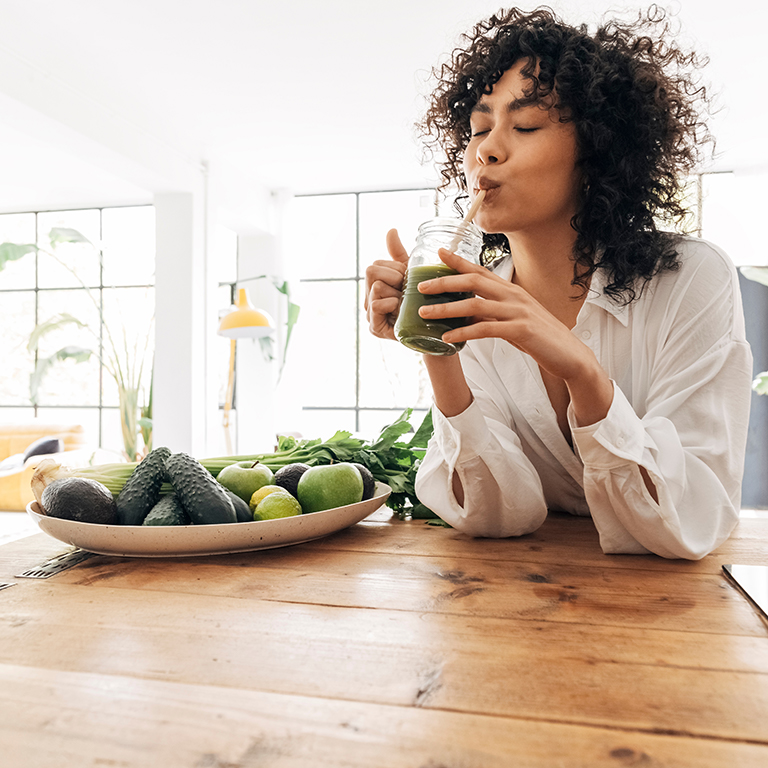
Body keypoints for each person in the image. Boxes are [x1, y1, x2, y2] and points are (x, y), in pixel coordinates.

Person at [364, 6, 753, 559]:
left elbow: (691, 521)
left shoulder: (690, 279)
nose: (487, 149)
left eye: (524, 126)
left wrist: (581, 370)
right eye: (479, 128)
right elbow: (494, 516)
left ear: (595, 152)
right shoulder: (472, 297)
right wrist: (437, 343)